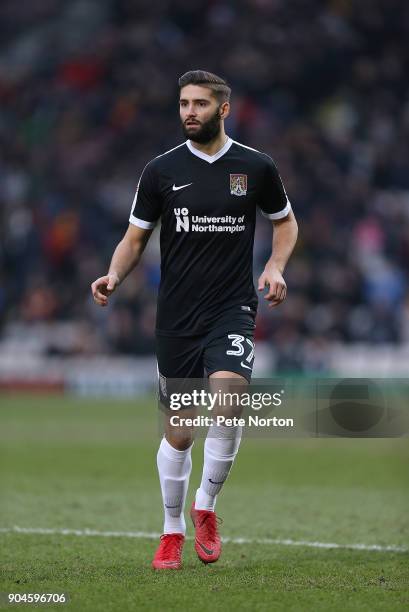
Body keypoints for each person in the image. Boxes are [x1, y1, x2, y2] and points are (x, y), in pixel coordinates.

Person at [91, 70, 298, 570]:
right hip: (177, 316)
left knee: (228, 401)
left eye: (200, 104)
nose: (189, 111)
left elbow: (285, 223)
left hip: (231, 308)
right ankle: (172, 528)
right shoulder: (161, 171)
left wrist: (274, 266)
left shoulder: (256, 166)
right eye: (184, 102)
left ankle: (205, 506)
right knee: (180, 432)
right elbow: (135, 237)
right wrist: (114, 275)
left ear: (223, 109)